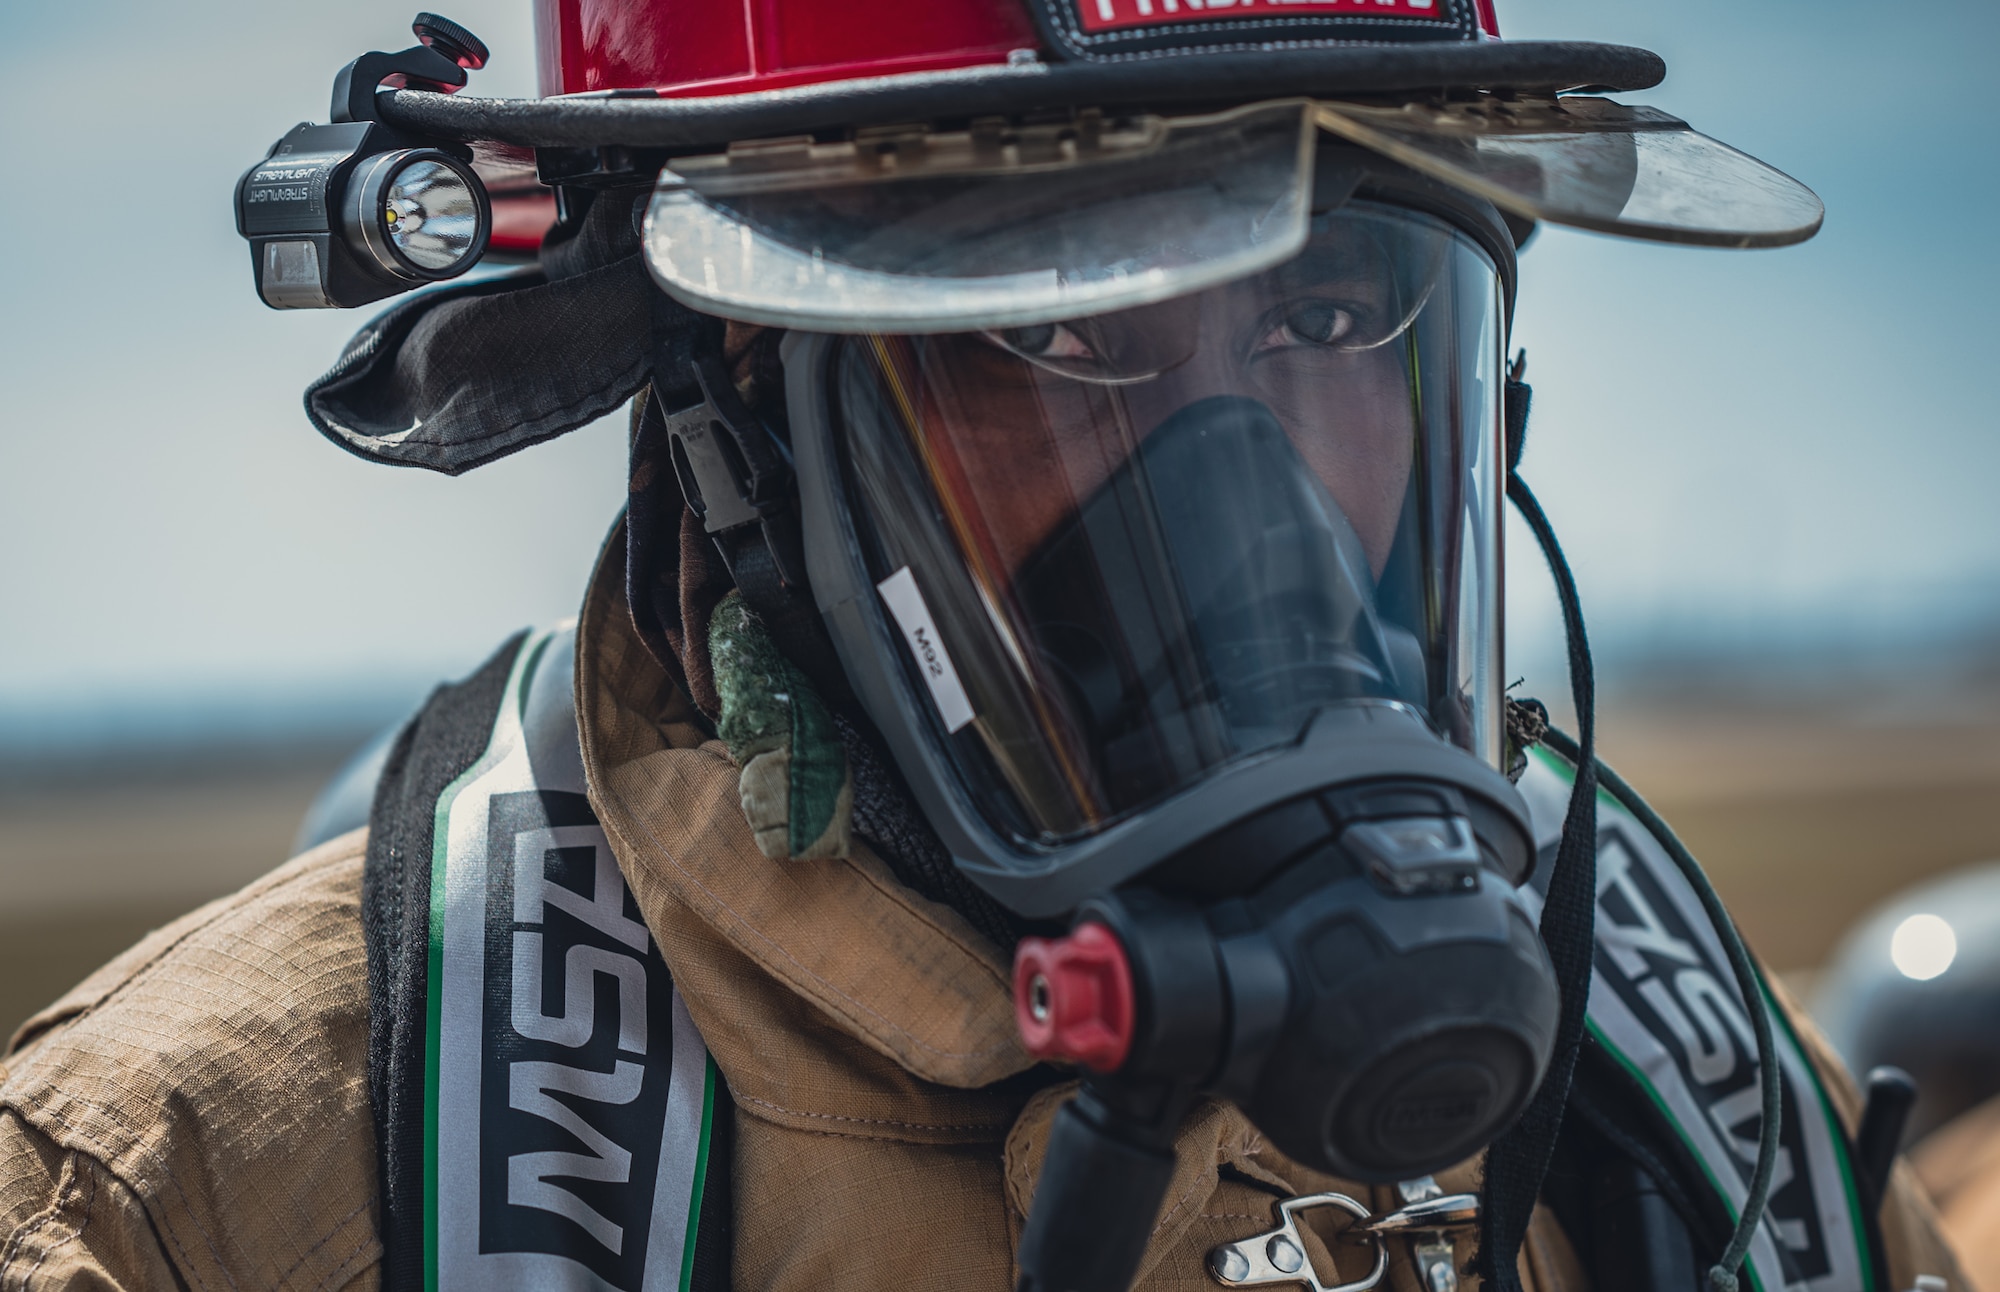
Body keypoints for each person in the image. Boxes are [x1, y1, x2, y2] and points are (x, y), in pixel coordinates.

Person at [0, 2, 1973, 1289]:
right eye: (1065, 332)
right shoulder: (210, 1190)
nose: (1255, 488)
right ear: (738, 430)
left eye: (1337, 319)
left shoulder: (1651, 1037)